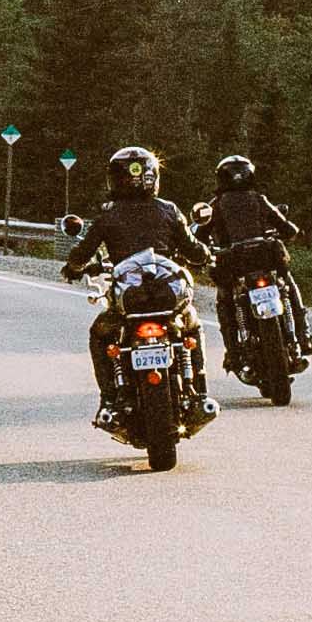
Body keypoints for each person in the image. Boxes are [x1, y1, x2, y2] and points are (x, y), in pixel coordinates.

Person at [58, 145, 212, 424]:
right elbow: (192, 249)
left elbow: (83, 252)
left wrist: (73, 268)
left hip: (129, 296)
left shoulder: (110, 213)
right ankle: (199, 390)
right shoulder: (169, 210)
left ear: (114, 179)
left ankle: (109, 398)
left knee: (100, 334)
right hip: (167, 293)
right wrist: (205, 255)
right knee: (192, 324)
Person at [195, 153, 312, 362]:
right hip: (264, 256)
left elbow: (200, 237)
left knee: (225, 299)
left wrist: (203, 250)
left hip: (232, 261)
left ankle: (232, 352)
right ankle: (304, 336)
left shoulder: (216, 205)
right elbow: (286, 227)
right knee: (287, 285)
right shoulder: (258, 199)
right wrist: (291, 232)